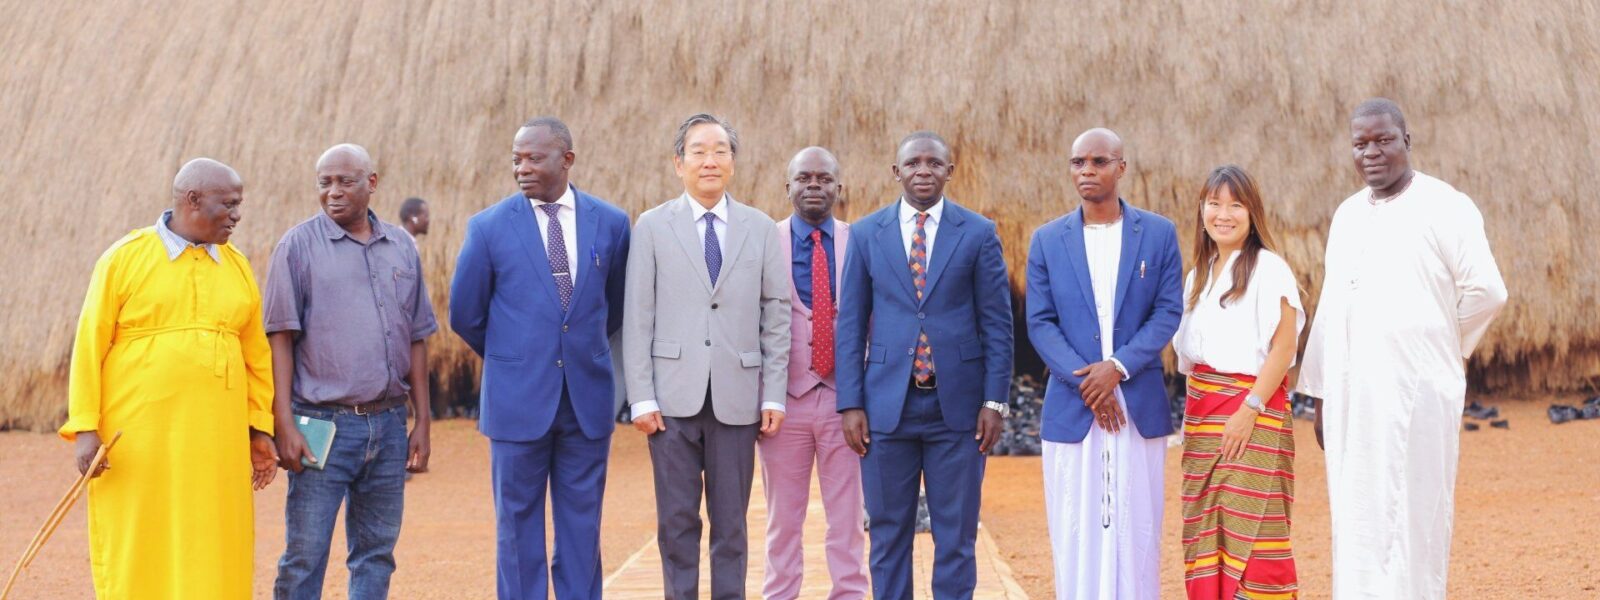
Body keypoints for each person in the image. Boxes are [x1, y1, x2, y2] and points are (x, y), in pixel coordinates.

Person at [1299, 98, 1507, 598]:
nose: (1371, 152)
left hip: (1419, 392)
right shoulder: (1347, 214)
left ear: (1407, 141)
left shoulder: (1446, 205)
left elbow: (1487, 291)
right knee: (1357, 513)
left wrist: (1440, 346)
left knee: (1414, 511)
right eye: (1360, 143)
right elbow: (1330, 308)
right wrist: (1322, 397)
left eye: (1383, 140)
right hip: (1353, 396)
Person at [60, 158, 277, 599]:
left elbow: (257, 357)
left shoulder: (237, 267)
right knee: (140, 536)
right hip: (139, 441)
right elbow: (89, 344)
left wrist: (260, 429)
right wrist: (85, 428)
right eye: (229, 204)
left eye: (240, 205)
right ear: (192, 199)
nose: (237, 214)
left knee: (215, 538)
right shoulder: (124, 258)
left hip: (216, 445)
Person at [450, 117, 631, 599]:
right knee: (517, 530)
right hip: (516, 404)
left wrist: (574, 353)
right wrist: (517, 359)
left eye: (534, 158)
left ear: (567, 160)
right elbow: (465, 314)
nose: (522, 168)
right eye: (516, 159)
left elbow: (614, 306)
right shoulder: (487, 228)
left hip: (587, 403)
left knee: (581, 528)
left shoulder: (611, 223)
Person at [834, 131, 1013, 600]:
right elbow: (850, 324)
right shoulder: (867, 233)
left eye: (934, 163)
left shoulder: (978, 233)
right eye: (913, 163)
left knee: (955, 535)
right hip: (884, 409)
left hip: (960, 411)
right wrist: (850, 402)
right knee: (888, 533)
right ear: (897, 172)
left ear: (949, 171)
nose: (923, 171)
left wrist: (996, 400)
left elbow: (998, 324)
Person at [621, 113, 790, 599]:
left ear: (733, 163)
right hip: (671, 402)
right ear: (679, 163)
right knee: (676, 524)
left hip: (738, 399)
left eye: (720, 151)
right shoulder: (652, 226)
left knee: (732, 525)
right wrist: (641, 396)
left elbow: (776, 315)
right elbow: (638, 315)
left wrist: (773, 395)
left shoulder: (760, 228)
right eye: (698, 151)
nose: (709, 160)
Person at [264, 144, 437, 599]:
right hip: (321, 426)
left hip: (389, 424)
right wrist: (283, 422)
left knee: (377, 553)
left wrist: (423, 420)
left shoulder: (401, 246)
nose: (333, 192)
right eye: (325, 183)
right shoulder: (296, 247)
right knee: (305, 555)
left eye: (345, 181)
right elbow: (279, 338)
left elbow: (417, 336)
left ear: (372, 183)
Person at [1024, 128, 1183, 599]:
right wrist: (1090, 385)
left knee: (1138, 527)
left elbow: (1167, 311)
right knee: (1075, 527)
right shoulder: (1047, 240)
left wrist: (1117, 366)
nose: (1087, 171)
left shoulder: (1157, 233)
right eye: (1078, 162)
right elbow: (1040, 322)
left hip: (1137, 404)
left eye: (1098, 161)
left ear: (1121, 166)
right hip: (1075, 410)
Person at [1171, 165, 1303, 598]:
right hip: (1201, 420)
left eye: (1235, 204)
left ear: (1252, 213)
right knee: (1206, 529)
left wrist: (1250, 409)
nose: (1222, 214)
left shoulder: (1270, 268)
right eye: (1214, 203)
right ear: (1202, 210)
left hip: (1251, 415)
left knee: (1254, 529)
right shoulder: (1197, 275)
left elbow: (1283, 349)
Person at [758, 146, 869, 600]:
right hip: (784, 402)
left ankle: (850, 593)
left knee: (848, 518)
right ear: (788, 187)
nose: (814, 186)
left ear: (839, 188)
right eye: (804, 178)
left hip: (846, 405)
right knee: (783, 520)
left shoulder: (861, 240)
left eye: (824, 178)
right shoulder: (764, 241)